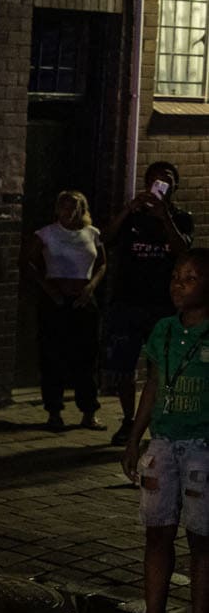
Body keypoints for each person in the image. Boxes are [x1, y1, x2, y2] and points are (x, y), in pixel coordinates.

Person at [117, 248, 209, 613]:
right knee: (157, 531)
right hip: (164, 442)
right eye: (175, 276)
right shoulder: (164, 330)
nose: (178, 285)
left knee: (201, 538)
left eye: (190, 278)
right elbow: (153, 385)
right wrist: (134, 438)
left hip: (203, 446)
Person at [103, 161, 193, 446]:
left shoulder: (180, 218)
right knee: (123, 366)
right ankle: (128, 420)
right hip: (128, 301)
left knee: (161, 366)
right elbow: (106, 239)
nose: (160, 185)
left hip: (161, 305)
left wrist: (164, 217)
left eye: (166, 181)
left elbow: (183, 251)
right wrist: (128, 210)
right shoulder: (133, 216)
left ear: (174, 186)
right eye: (155, 180)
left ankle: (156, 420)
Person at [23, 191, 108, 431]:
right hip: (56, 301)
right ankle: (54, 412)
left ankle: (89, 411)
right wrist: (48, 288)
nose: (69, 212)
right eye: (64, 207)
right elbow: (27, 262)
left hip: (83, 300)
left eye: (74, 208)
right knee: (53, 356)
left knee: (87, 357)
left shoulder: (92, 233)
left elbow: (102, 263)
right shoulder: (46, 233)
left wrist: (91, 287)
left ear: (82, 210)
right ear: (57, 209)